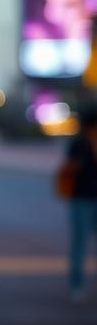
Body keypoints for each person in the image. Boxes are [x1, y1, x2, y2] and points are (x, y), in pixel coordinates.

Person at [64, 105, 97, 301]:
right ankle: (76, 285)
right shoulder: (79, 144)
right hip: (81, 199)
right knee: (79, 244)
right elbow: (70, 167)